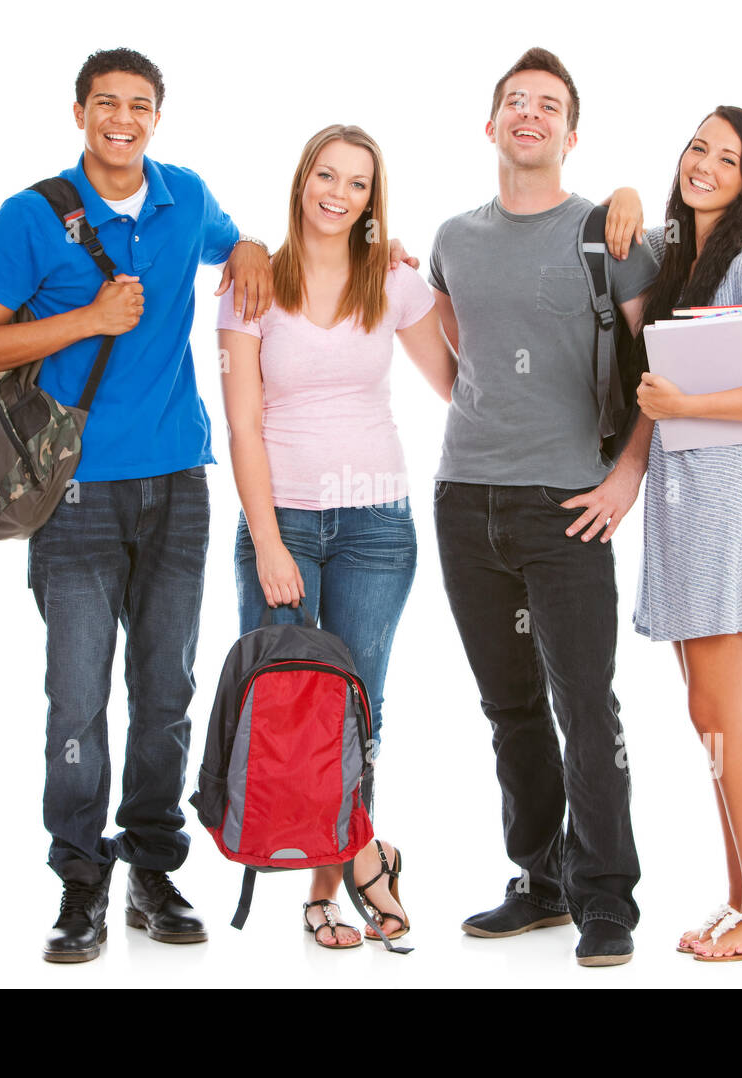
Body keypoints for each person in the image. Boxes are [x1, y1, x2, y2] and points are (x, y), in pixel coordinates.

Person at [0, 47, 274, 963]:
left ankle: (153, 869)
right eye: (106, 103)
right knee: (77, 698)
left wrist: (247, 244)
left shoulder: (185, 197)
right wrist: (88, 320)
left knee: (166, 690)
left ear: (157, 118)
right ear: (80, 112)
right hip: (77, 495)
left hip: (179, 483)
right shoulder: (30, 216)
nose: (122, 119)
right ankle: (80, 881)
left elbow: (236, 241)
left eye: (139, 105)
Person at [427, 47, 656, 967]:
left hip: (569, 507)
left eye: (548, 105)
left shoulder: (609, 235)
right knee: (508, 706)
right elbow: (451, 353)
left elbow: (657, 372)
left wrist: (626, 473)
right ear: (490, 126)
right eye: (513, 102)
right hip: (463, 500)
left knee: (585, 709)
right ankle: (541, 880)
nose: (529, 114)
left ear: (570, 133)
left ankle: (607, 901)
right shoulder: (453, 238)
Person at [217, 124, 457, 948]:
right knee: (292, 704)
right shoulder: (250, 286)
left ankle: (328, 887)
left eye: (358, 184)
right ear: (302, 181)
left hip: (376, 525)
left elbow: (458, 380)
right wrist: (269, 539)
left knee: (359, 707)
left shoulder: (388, 283)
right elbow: (242, 427)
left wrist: (439, 278)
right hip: (279, 516)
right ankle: (368, 859)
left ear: (371, 200)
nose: (339, 193)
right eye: (327, 175)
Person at [631, 106, 742, 961]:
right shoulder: (684, 262)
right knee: (706, 713)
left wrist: (687, 406)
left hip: (725, 505)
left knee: (723, 715)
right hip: (680, 504)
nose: (704, 163)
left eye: (727, 157)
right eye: (698, 146)